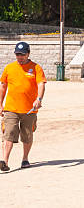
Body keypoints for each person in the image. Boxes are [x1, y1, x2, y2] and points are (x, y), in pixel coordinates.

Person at [0, 42, 46, 172]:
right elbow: (3, 86)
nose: (19, 57)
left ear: (28, 54)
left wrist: (39, 99)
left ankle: (25, 158)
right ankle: (4, 161)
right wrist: (0, 104)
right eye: (17, 54)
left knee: (27, 135)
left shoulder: (36, 68)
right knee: (8, 134)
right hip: (11, 108)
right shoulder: (9, 68)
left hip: (29, 109)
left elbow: (41, 84)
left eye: (22, 54)